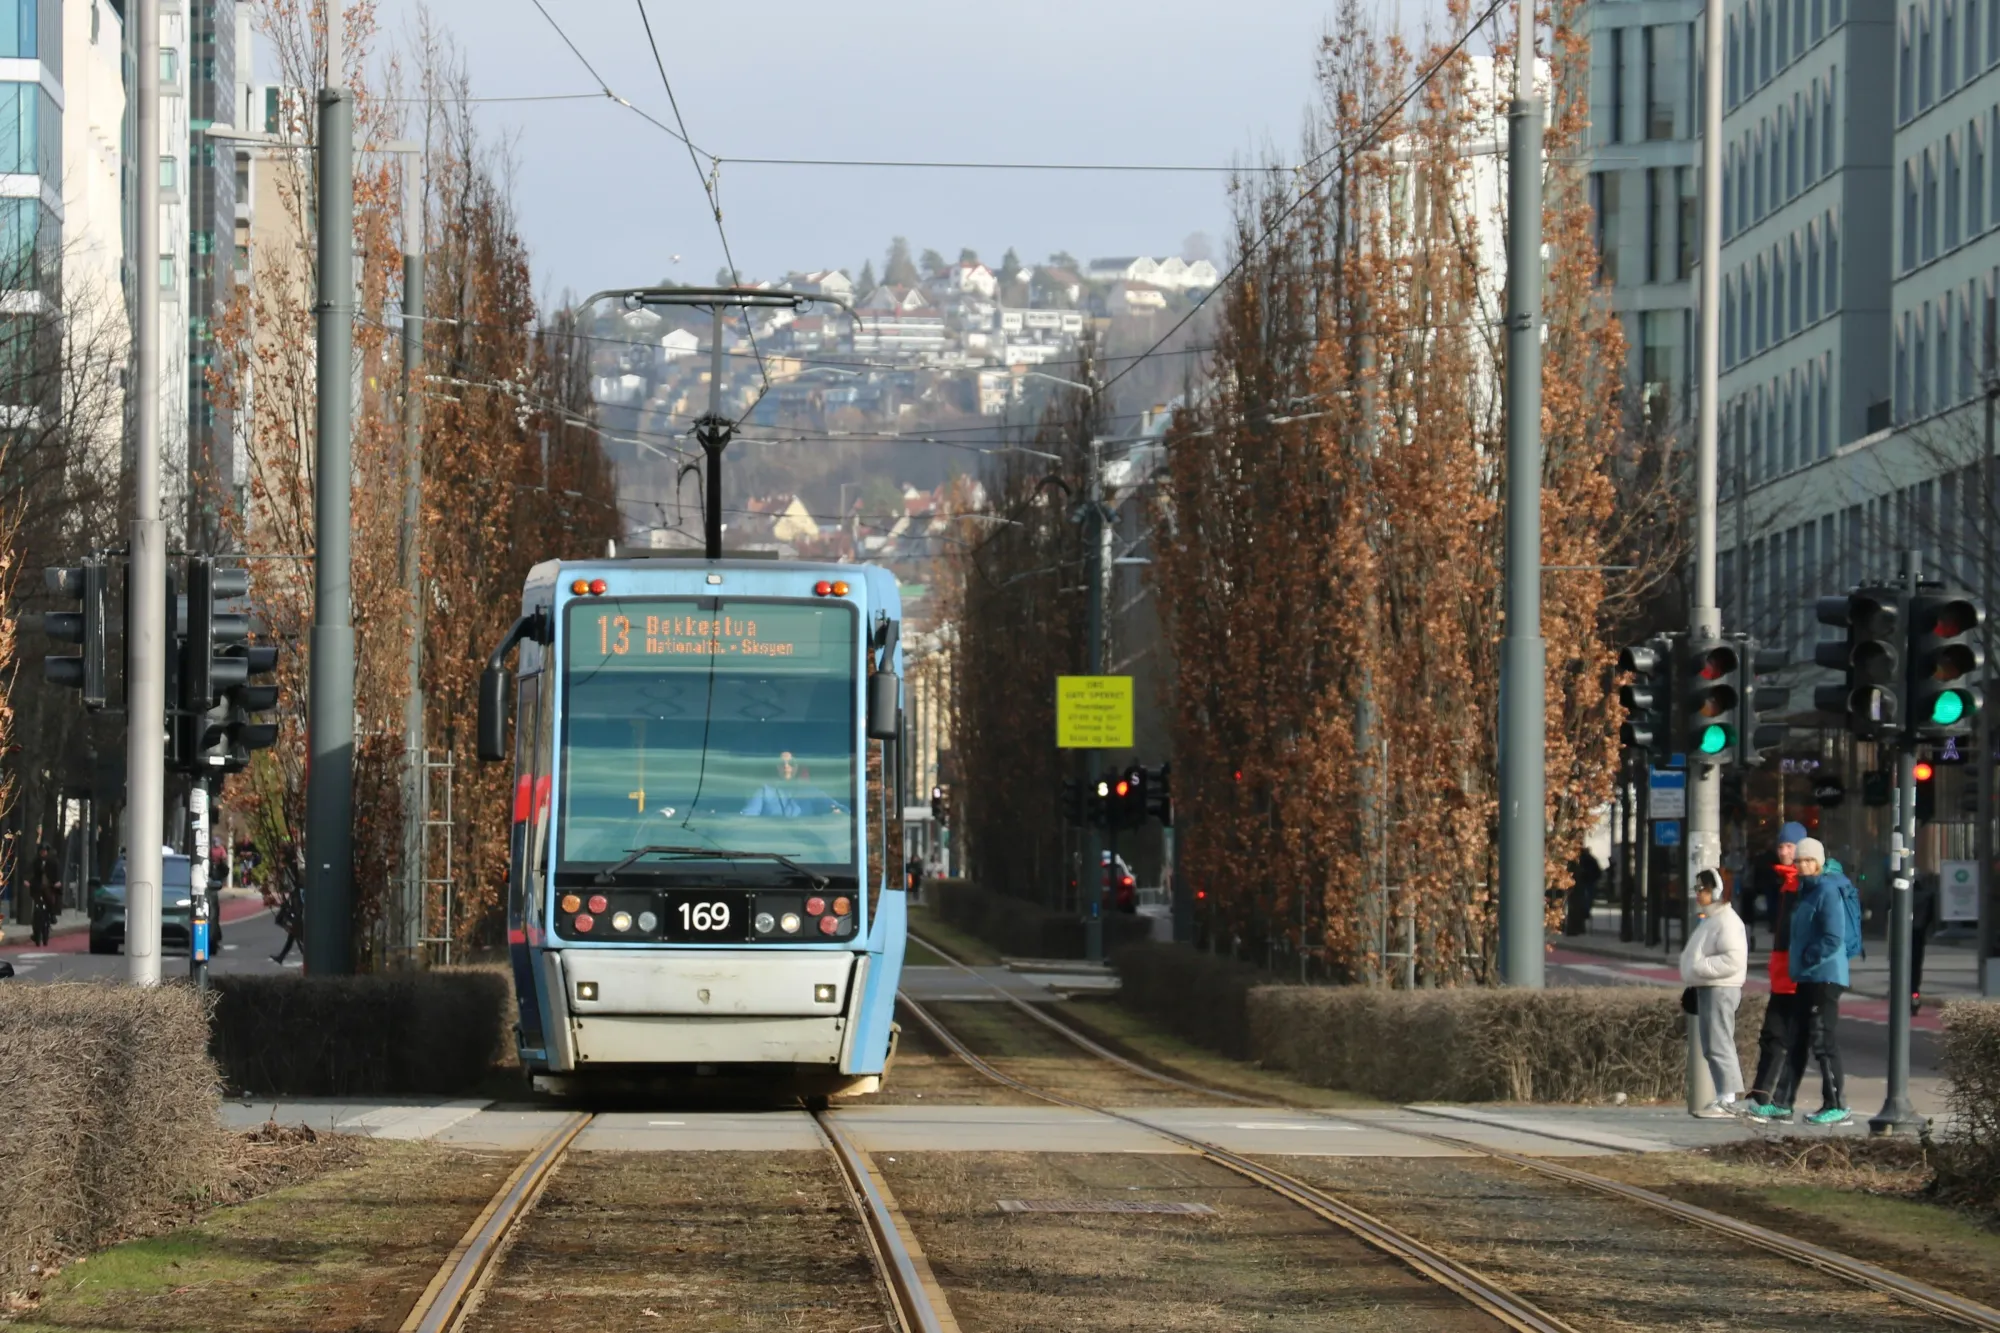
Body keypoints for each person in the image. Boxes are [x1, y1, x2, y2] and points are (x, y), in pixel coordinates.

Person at [1768, 837, 1852, 1125]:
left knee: (1822, 1040)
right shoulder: (1806, 891)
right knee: (1796, 1040)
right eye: (1800, 860)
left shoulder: (1827, 891)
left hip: (1825, 977)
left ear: (1818, 862)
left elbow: (1832, 936)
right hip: (1806, 976)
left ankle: (1836, 1105)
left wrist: (1807, 957)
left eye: (1808, 860)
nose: (1803, 865)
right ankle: (1781, 1103)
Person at [1742, 822, 1807, 1111]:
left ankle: (1780, 1100)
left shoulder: (1803, 884)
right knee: (1773, 1036)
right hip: (1783, 973)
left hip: (1797, 975)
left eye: (1790, 846)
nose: (1784, 852)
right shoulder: (1785, 882)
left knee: (1794, 1040)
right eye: (1781, 846)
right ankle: (1762, 1095)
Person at [1681, 868, 1750, 1116]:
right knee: (1712, 1044)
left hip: (1721, 989)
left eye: (1704, 889)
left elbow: (1733, 960)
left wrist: (1699, 967)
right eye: (1697, 888)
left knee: (1719, 1042)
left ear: (1718, 891)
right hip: (1710, 987)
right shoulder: (1712, 919)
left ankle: (1728, 1098)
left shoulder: (1727, 921)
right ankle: (1724, 1095)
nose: (1698, 893)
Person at [740, 751, 846, 817]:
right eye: (782, 764)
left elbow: (842, 810)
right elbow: (748, 817)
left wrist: (836, 813)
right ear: (777, 767)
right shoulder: (765, 791)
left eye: (791, 763)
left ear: (797, 767)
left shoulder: (810, 791)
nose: (786, 767)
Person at [1911, 871, 1939, 1014]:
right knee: (1916, 968)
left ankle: (1904, 996)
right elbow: (1930, 917)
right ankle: (1915, 996)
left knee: (1899, 967)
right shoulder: (1927, 896)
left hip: (1901, 937)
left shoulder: (1900, 895)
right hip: (1919, 935)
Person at [28, 843, 60, 947]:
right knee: (36, 908)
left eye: (45, 851)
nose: (43, 853)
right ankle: (35, 930)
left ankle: (52, 915)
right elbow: (29, 872)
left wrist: (57, 882)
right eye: (41, 851)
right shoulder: (35, 862)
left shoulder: (53, 862)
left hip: (49, 886)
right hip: (37, 887)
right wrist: (27, 881)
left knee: (50, 900)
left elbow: (57, 874)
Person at [271, 882, 303, 964]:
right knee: (291, 938)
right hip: (297, 920)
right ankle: (281, 957)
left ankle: (281, 957)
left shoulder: (297, 893)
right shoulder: (295, 893)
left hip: (298, 920)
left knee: (294, 937)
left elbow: (297, 907)